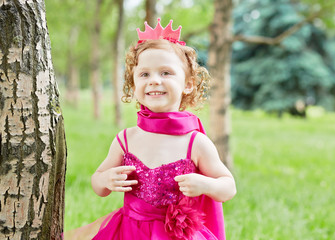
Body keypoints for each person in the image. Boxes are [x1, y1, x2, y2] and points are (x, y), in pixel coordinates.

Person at [66, 18, 236, 240]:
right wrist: (106, 180)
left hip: (175, 234)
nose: (154, 81)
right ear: (134, 85)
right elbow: (98, 183)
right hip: (129, 231)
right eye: (144, 74)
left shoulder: (195, 142)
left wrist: (205, 184)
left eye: (166, 73)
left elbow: (228, 186)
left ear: (188, 84)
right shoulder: (125, 139)